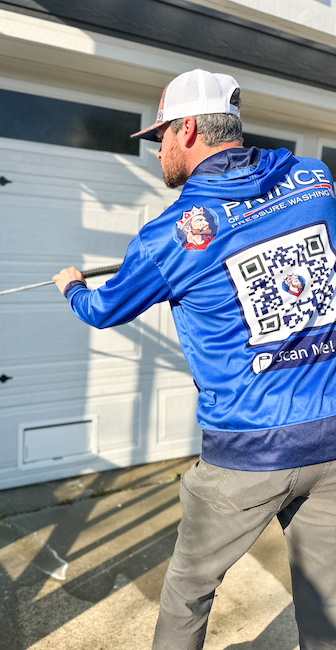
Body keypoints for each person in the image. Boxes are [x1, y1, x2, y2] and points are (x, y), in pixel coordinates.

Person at [53, 69, 336, 650]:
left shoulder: (170, 238)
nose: (158, 150)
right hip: (332, 439)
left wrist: (71, 286)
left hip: (248, 452)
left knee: (188, 589)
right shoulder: (316, 180)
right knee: (325, 596)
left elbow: (103, 310)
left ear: (187, 130)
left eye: (160, 137)